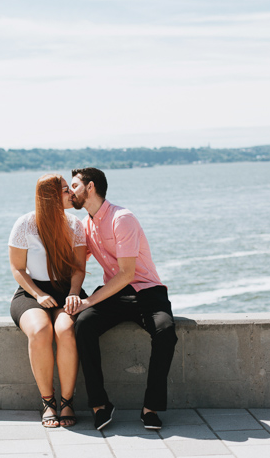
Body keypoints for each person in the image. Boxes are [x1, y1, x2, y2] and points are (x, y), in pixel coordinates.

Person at [65, 167, 178, 431]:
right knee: (83, 325)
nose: (71, 192)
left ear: (90, 187)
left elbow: (127, 274)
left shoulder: (122, 218)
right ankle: (99, 405)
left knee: (165, 331)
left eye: (74, 186)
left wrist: (88, 301)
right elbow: (75, 265)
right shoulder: (85, 225)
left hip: (147, 290)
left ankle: (150, 408)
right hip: (115, 294)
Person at [8, 173, 88, 428]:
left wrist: (74, 292)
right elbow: (18, 269)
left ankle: (67, 401)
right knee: (41, 330)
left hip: (69, 289)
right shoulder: (24, 224)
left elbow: (78, 268)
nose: (71, 194)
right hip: (33, 291)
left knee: (65, 330)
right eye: (65, 190)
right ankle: (48, 401)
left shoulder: (75, 224)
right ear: (51, 197)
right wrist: (39, 294)